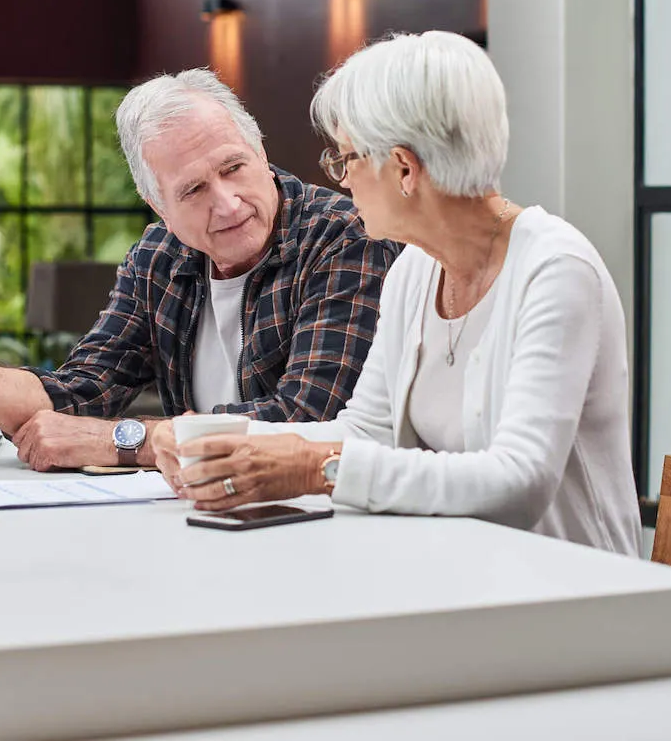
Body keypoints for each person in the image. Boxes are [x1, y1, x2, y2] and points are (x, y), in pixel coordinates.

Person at [158, 32, 641, 555]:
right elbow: (368, 430)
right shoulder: (414, 269)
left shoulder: (555, 269)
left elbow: (519, 482)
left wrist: (316, 469)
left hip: (578, 591)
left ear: (405, 168)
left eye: (347, 160)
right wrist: (225, 442)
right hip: (468, 575)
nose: (342, 183)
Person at [0, 69, 399, 472]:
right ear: (158, 205)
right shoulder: (159, 255)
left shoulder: (346, 236)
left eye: (233, 167)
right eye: (193, 190)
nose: (227, 203)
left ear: (260, 151)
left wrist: (123, 442)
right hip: (199, 515)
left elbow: (305, 421)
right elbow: (82, 394)